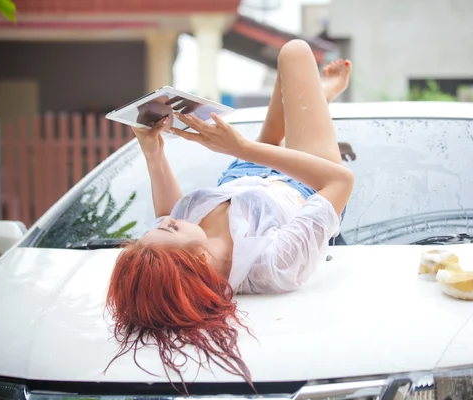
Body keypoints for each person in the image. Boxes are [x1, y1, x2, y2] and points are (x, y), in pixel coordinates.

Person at [104, 40, 354, 388]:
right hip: (306, 184)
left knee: (291, 83)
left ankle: (312, 106)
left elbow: (169, 214)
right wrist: (243, 147)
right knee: (294, 53)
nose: (167, 219)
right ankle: (318, 100)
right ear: (201, 260)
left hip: (237, 183)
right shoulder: (272, 267)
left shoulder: (187, 229)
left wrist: (153, 152)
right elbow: (341, 182)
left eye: (159, 225)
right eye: (170, 229)